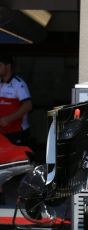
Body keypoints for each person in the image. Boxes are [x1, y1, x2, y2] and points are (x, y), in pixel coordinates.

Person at [0, 54, 32, 204]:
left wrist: (8, 119)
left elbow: (27, 105)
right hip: (3, 134)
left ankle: (25, 197)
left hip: (17, 132)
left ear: (7, 66)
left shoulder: (19, 84)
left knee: (20, 166)